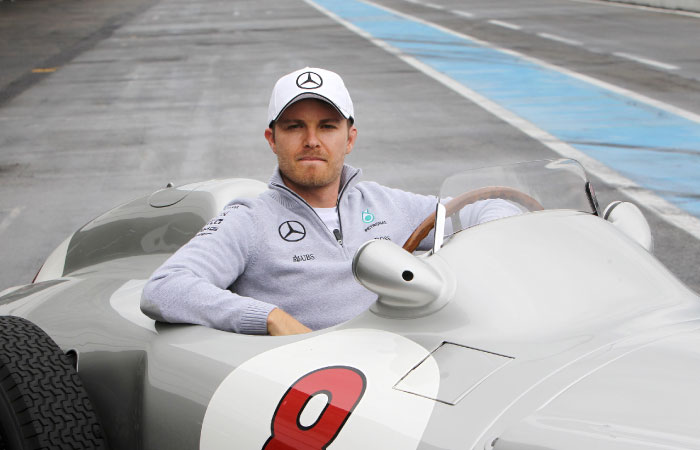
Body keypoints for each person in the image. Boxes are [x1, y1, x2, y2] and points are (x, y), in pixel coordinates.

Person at [141, 67, 518, 336]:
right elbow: (165, 288)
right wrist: (270, 317)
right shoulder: (250, 220)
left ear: (349, 138)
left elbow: (484, 208)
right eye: (294, 126)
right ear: (272, 139)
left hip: (408, 362)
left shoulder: (387, 203)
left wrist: (490, 243)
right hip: (321, 388)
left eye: (326, 126)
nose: (311, 140)